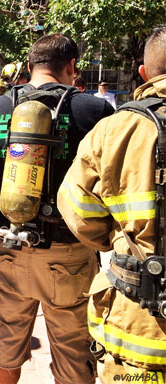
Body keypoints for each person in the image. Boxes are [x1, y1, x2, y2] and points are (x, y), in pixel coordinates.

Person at [0, 34, 115, 384]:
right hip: (69, 250)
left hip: (8, 243)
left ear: (30, 65)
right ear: (71, 67)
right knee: (74, 359)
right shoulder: (96, 110)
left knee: (3, 348)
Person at [57, 26, 166, 383]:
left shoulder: (115, 129)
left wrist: (119, 241)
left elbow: (78, 210)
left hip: (140, 326)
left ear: (145, 73)